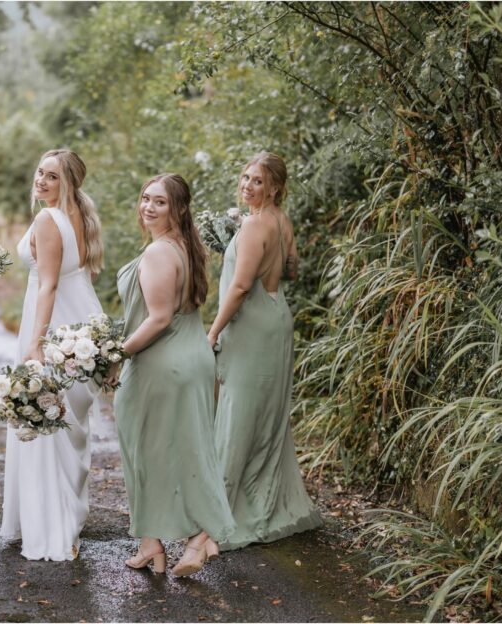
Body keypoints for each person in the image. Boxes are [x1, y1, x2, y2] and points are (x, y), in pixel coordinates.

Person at [112, 173, 234, 576]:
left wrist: (116, 352)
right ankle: (153, 544)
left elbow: (160, 318)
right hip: (191, 358)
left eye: (159, 202)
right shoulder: (185, 246)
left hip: (164, 365)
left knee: (150, 453)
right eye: (145, 198)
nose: (148, 207)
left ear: (178, 209)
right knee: (180, 452)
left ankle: (199, 535)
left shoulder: (159, 254)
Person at [207, 151, 323, 551]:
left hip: (252, 326)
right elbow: (292, 270)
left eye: (257, 181)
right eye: (244, 177)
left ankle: (222, 512)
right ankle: (267, 501)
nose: (247, 185)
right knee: (266, 414)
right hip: (277, 316)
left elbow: (239, 288)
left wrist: (212, 332)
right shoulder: (280, 220)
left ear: (274, 187)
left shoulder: (257, 225)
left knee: (240, 413)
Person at [0, 149, 105, 561]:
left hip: (50, 325)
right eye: (40, 173)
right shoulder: (79, 213)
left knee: (47, 426)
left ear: (70, 183)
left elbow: (48, 285)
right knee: (63, 425)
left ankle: (53, 528)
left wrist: (35, 342)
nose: (41, 181)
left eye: (52, 177)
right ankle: (62, 520)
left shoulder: (48, 219)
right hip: (74, 324)